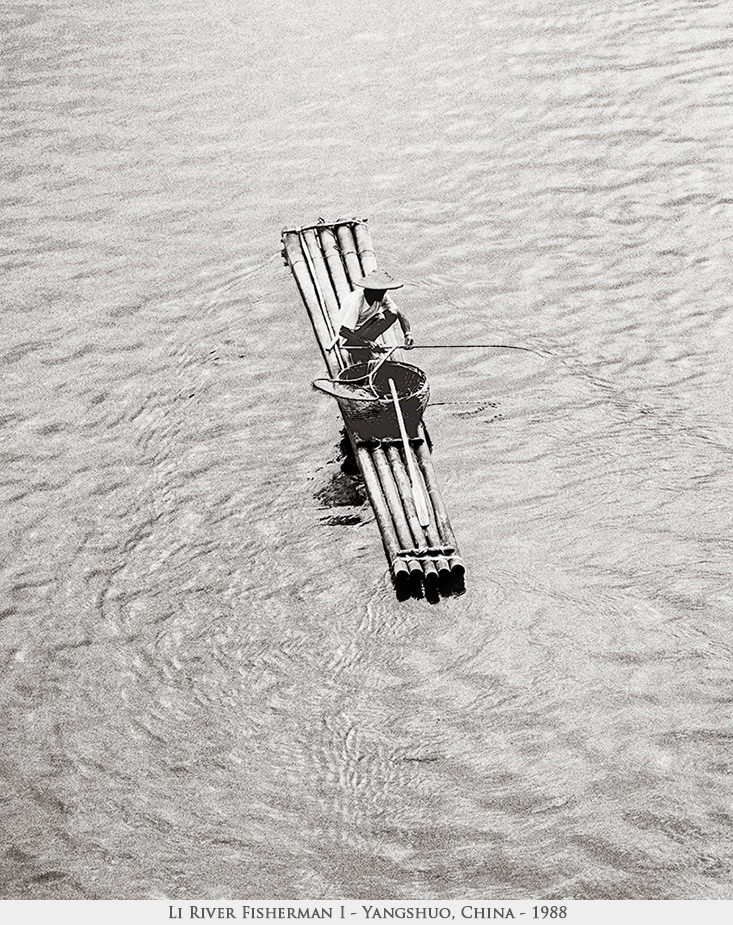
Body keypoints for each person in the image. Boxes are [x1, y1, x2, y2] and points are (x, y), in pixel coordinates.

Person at [333, 268, 413, 361]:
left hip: (363, 329)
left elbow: (399, 314)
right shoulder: (357, 302)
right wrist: (367, 342)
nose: (382, 294)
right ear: (369, 290)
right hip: (349, 337)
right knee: (379, 317)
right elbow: (343, 331)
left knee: (392, 313)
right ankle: (358, 348)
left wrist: (408, 334)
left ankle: (367, 344)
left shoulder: (381, 296)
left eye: (384, 290)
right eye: (379, 291)